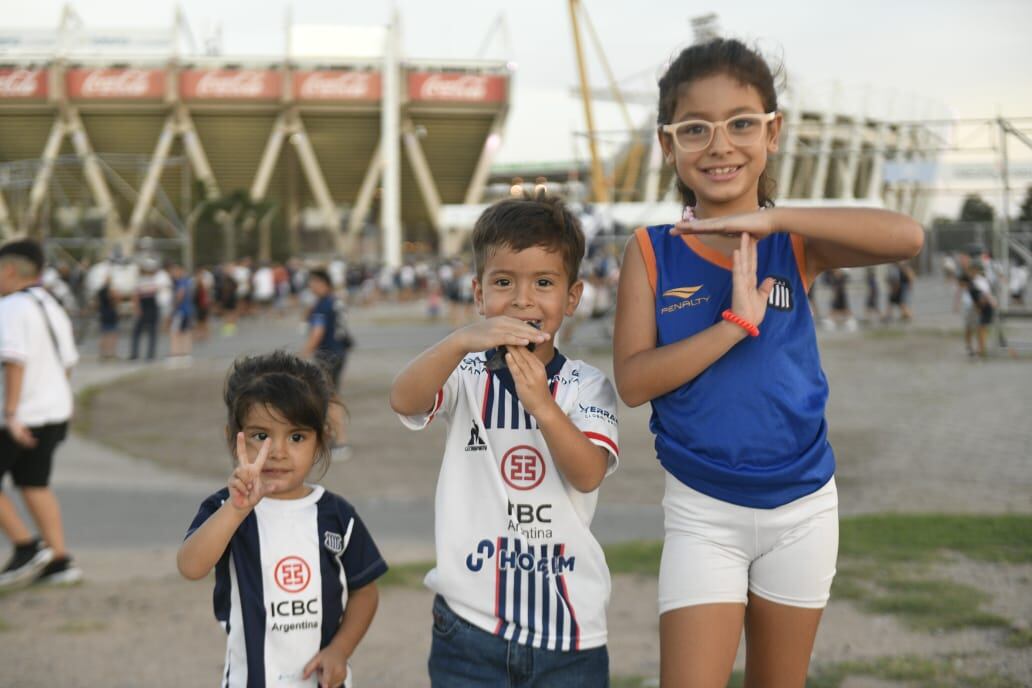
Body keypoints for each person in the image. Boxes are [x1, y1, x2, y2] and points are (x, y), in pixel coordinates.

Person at [612, 38, 924, 688]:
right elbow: (634, 382)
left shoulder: (794, 241)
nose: (720, 145)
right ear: (667, 146)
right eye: (695, 129)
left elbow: (908, 236)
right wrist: (734, 327)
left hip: (803, 509)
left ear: (773, 132)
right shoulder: (650, 251)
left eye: (742, 123)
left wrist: (772, 217)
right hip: (703, 508)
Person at [390, 191, 620, 687]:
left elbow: (587, 473)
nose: (521, 299)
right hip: (468, 627)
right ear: (478, 294)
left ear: (572, 297)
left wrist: (542, 405)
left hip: (569, 633)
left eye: (543, 282)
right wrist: (457, 341)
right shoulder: (467, 373)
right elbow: (404, 400)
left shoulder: (587, 384)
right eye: (502, 282)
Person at [177, 351, 386, 688]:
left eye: (296, 437)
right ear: (235, 437)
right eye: (261, 436)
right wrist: (236, 509)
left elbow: (366, 591)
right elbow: (190, 566)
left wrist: (340, 650)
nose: (277, 452)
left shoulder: (336, 515)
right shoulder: (226, 507)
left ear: (321, 441)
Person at [0, 239, 83, 588]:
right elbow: (68, 363)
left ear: (9, 271)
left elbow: (14, 361)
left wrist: (11, 414)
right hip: (53, 411)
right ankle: (59, 560)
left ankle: (25, 546)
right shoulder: (51, 304)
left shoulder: (12, 308)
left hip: (22, 415)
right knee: (34, 483)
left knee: (31, 482)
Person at [129, 258, 161, 361]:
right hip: (144, 305)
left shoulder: (156, 279)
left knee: (152, 331)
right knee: (137, 331)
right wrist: (137, 308)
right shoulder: (140, 280)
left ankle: (150, 354)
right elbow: (136, 296)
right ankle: (135, 354)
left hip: (152, 305)